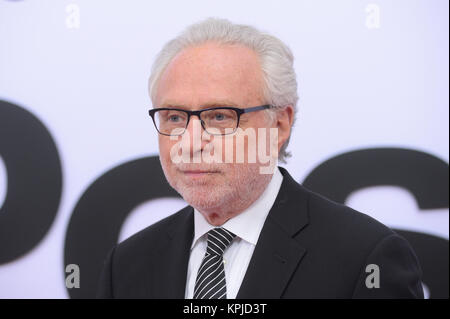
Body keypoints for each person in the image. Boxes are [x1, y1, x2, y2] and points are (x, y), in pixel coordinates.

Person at [96, 18, 423, 299]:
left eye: (220, 117)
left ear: (279, 124)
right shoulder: (127, 264)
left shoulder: (366, 258)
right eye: (175, 117)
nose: (190, 142)